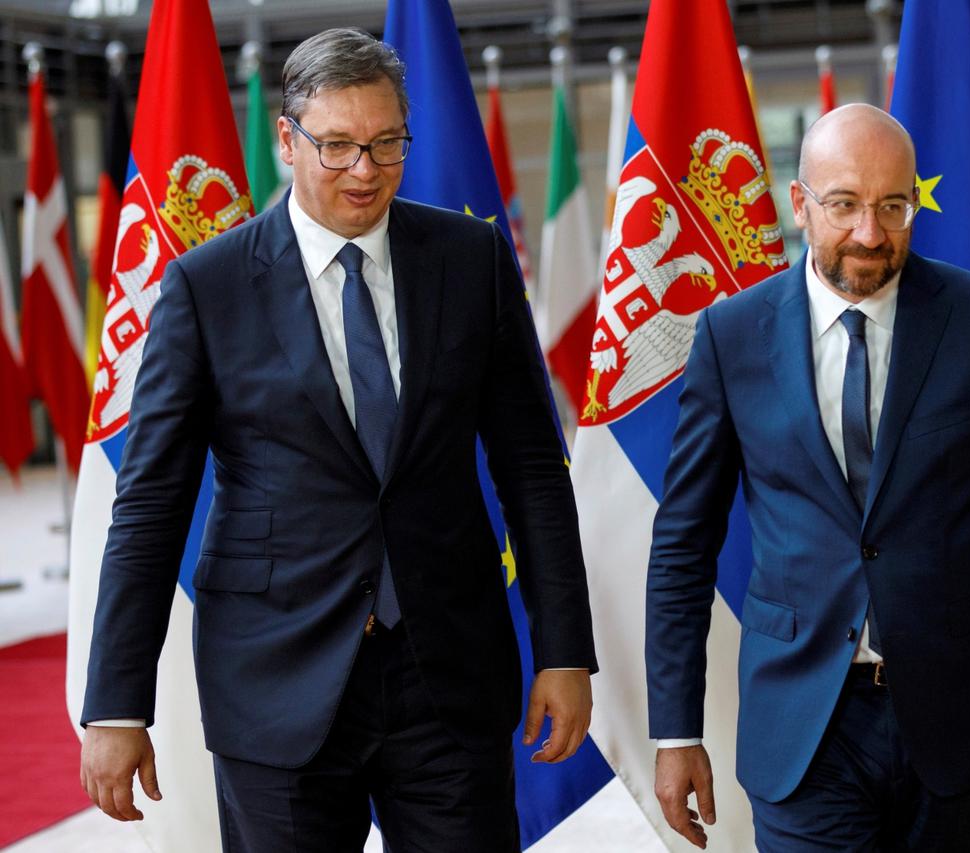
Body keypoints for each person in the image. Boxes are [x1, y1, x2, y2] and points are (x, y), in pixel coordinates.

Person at [79, 28, 596, 852]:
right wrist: (115, 703)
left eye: (388, 144)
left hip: (448, 677)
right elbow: (149, 503)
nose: (366, 170)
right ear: (287, 139)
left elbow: (533, 467)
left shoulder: (472, 260)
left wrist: (566, 651)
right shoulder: (207, 287)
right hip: (275, 681)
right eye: (339, 146)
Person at [646, 104, 970, 851]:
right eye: (844, 204)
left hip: (954, 718)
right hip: (801, 725)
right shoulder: (732, 336)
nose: (870, 234)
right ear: (799, 204)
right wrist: (675, 729)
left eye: (893, 205)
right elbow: (684, 543)